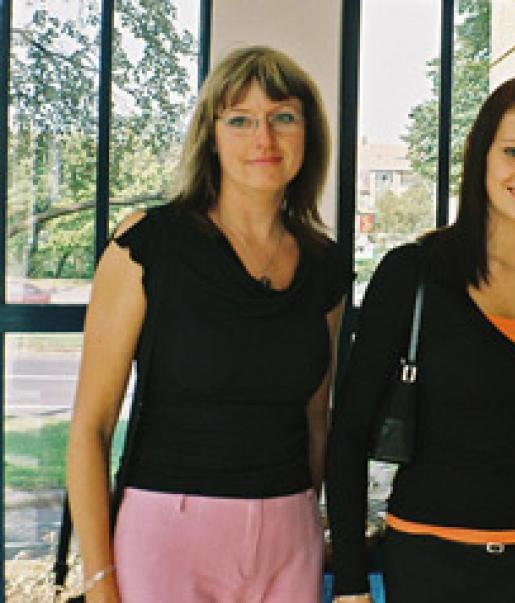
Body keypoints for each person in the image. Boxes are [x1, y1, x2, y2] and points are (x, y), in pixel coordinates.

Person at [66, 46, 349, 602]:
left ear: (308, 134)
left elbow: (317, 422)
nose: (263, 139)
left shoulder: (325, 265)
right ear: (211, 137)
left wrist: (299, 521)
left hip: (290, 539)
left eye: (283, 117)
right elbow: (90, 430)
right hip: (168, 537)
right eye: (240, 120)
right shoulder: (149, 244)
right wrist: (99, 580)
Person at [326, 75, 515, 603]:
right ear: (482, 157)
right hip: (430, 565)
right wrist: (350, 582)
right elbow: (349, 433)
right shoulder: (412, 274)